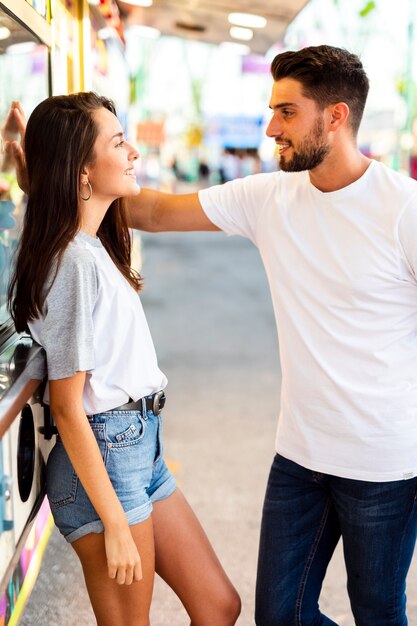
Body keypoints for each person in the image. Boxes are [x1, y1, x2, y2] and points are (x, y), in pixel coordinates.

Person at [7, 44, 417, 625]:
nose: (270, 126)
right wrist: (44, 172)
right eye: (271, 109)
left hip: (382, 462)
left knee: (364, 610)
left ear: (336, 116)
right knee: (276, 615)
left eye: (286, 112)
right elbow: (151, 208)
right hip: (289, 457)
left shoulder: (404, 211)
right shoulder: (267, 198)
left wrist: (47, 176)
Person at [5, 93, 241, 626]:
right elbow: (67, 405)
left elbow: (37, 193)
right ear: (82, 171)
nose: (134, 152)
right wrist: (113, 522)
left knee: (219, 605)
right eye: (118, 142)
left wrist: (22, 162)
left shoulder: (81, 244)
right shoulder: (73, 263)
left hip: (140, 449)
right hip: (107, 460)